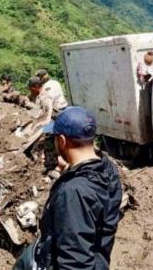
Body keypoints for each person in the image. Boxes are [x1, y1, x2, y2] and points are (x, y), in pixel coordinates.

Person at [13, 106, 123, 270]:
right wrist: (71, 169)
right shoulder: (106, 169)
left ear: (62, 141)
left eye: (55, 139)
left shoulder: (74, 192)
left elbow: (74, 262)